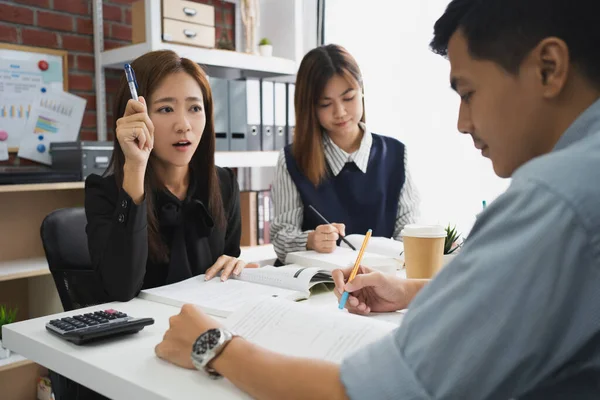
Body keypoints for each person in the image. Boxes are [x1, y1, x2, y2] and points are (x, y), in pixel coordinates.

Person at [155, 0, 600, 398]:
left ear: (548, 67)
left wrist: (216, 346)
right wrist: (408, 290)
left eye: (468, 92)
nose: (463, 123)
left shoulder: (556, 200)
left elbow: (371, 390)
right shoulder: (579, 181)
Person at [85, 50, 256, 302]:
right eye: (166, 109)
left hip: (205, 325)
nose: (184, 124)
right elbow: (120, 289)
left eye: (195, 108)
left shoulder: (223, 184)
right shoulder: (104, 192)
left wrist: (234, 266)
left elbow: (227, 265)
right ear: (134, 116)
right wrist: (135, 167)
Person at [270, 44, 420, 263]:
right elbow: (281, 238)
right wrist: (311, 239)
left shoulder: (396, 154)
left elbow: (408, 231)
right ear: (310, 108)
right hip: (317, 284)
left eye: (348, 98)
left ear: (361, 91)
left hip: (377, 280)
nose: (339, 112)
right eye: (325, 104)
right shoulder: (293, 160)